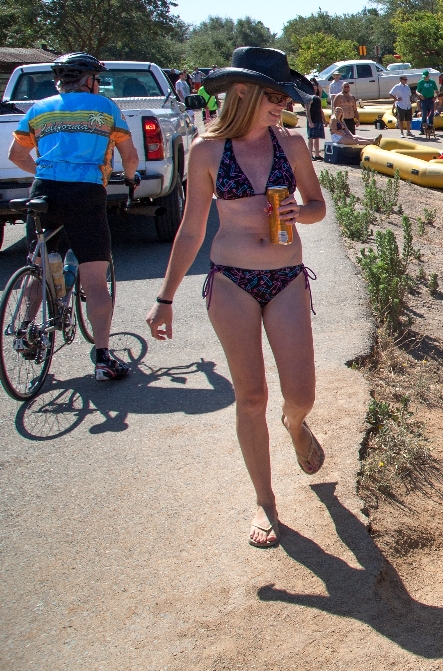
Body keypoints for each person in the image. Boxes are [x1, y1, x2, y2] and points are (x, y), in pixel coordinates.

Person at [144, 47, 327, 549]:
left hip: (286, 277)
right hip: (230, 282)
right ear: (242, 93)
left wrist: (299, 213)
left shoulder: (290, 143)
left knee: (300, 395)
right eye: (274, 97)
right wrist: (165, 298)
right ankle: (265, 502)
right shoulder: (205, 150)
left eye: (285, 98)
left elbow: (318, 207)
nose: (282, 107)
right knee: (250, 397)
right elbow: (190, 229)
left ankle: (295, 426)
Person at [8, 52, 140, 380]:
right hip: (86, 192)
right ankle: (103, 358)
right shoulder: (106, 107)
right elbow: (130, 155)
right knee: (95, 280)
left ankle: (26, 329)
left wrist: (43, 169)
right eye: (97, 78)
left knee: (40, 266)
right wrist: (130, 176)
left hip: (45, 190)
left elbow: (17, 155)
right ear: (88, 80)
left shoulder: (39, 108)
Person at [306, 80, 326, 160]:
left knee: (317, 138)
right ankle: (310, 155)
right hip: (312, 121)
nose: (315, 90)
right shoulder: (308, 98)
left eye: (315, 88)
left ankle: (317, 154)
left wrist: (324, 119)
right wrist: (310, 121)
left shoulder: (318, 98)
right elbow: (307, 111)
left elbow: (320, 109)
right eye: (313, 88)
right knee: (311, 138)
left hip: (318, 120)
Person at [415, 70, 439, 134]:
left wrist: (435, 97)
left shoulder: (432, 82)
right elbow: (417, 91)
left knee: (431, 115)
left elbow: (437, 91)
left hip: (431, 100)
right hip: (424, 100)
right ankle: (422, 130)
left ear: (429, 76)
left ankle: (430, 129)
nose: (425, 78)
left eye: (426, 77)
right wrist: (419, 95)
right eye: (424, 77)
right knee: (424, 115)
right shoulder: (421, 82)